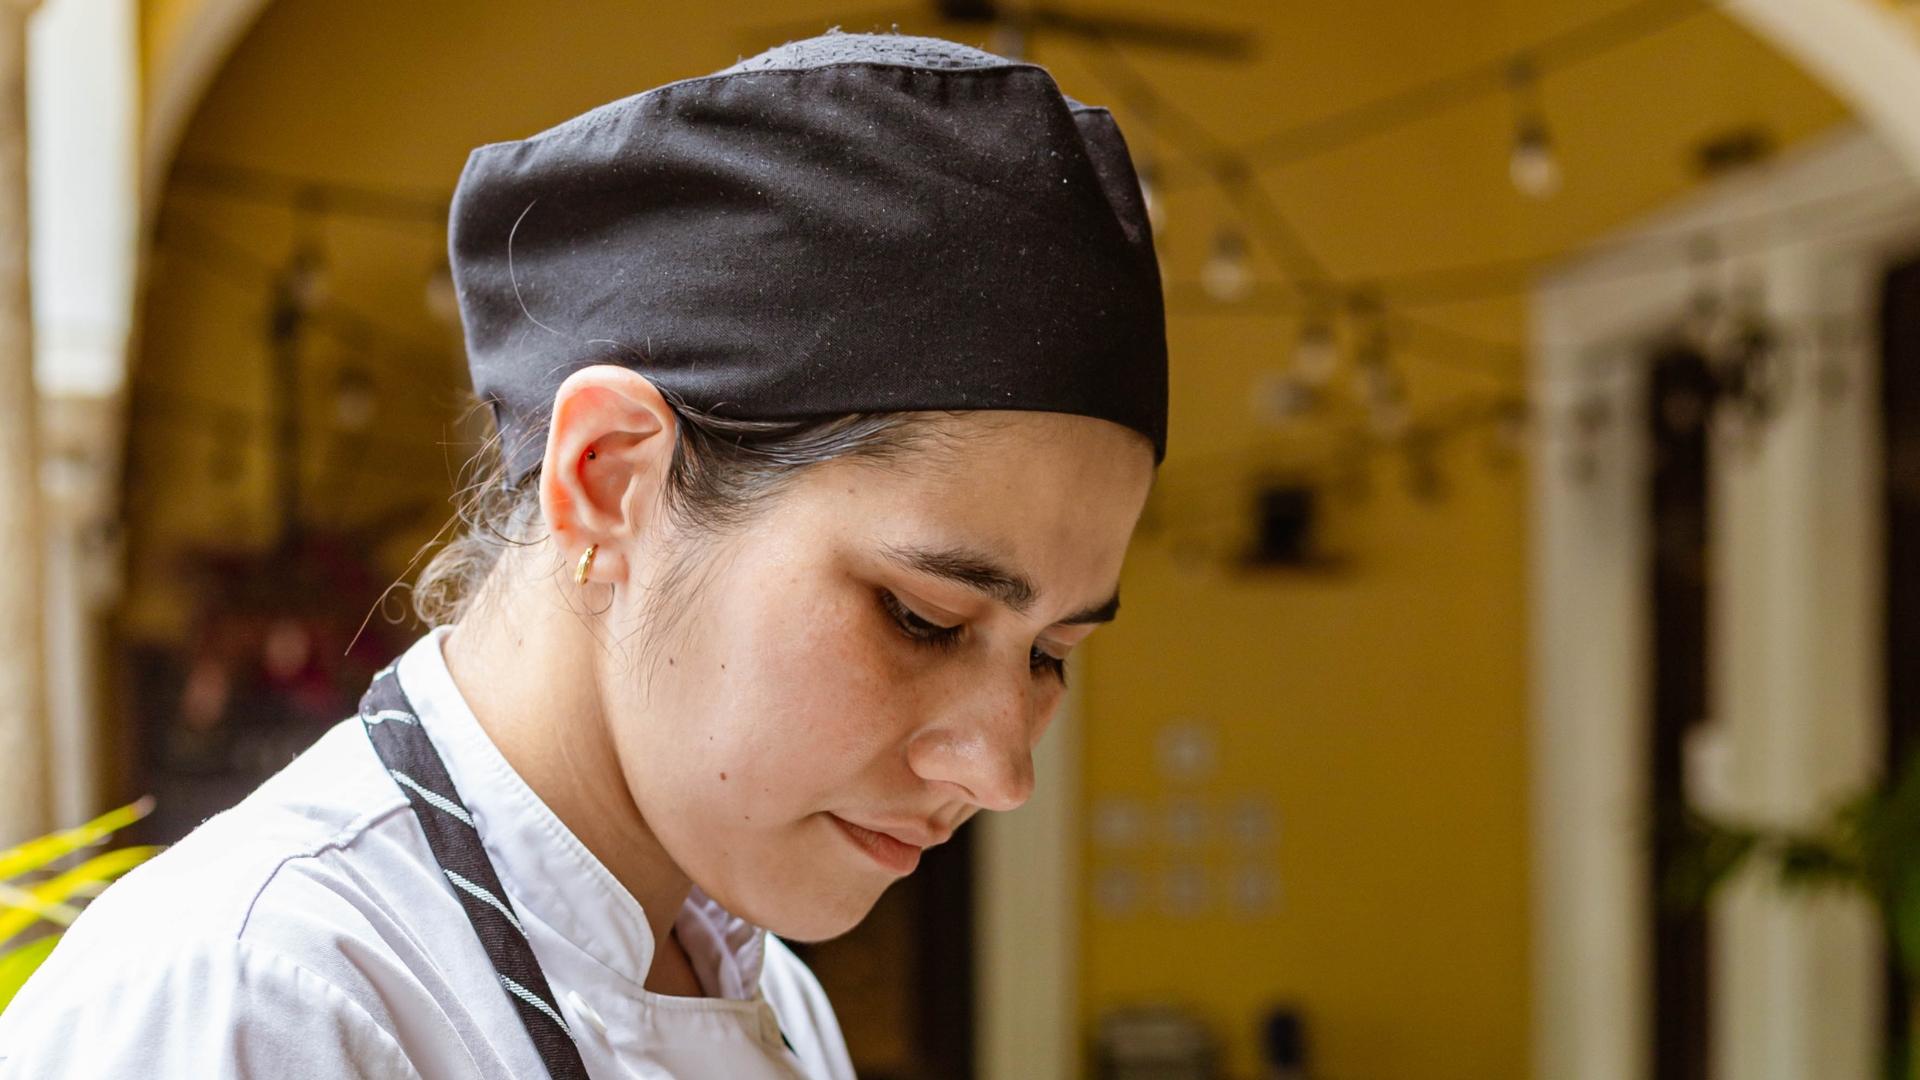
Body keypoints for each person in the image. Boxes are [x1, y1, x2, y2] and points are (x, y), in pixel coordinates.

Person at [0, 30, 1165, 1080]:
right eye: (926, 617)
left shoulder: (772, 1000)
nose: (1002, 773)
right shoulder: (253, 1004)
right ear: (608, 477)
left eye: (1052, 653)